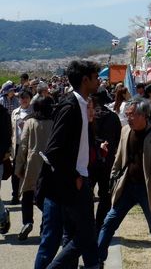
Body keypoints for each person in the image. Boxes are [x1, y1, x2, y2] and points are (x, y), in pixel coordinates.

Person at [34, 59, 102, 269]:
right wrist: (75, 177)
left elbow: (77, 142)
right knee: (79, 236)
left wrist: (97, 144)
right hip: (68, 182)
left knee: (70, 236)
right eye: (95, 77)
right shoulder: (70, 106)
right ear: (85, 80)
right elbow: (54, 150)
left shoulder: (82, 105)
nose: (99, 81)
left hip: (76, 178)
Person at [97, 97, 151, 269]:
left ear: (144, 115)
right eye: (127, 114)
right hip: (127, 187)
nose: (129, 118)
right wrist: (113, 178)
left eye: (132, 115)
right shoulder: (125, 131)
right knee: (109, 223)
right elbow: (119, 158)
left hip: (148, 190)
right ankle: (98, 261)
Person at [14, 95, 54, 240]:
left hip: (32, 164)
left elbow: (23, 145)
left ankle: (27, 221)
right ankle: (45, 226)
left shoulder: (30, 122)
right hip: (49, 165)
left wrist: (18, 167)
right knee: (47, 197)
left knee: (27, 194)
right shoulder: (53, 122)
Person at [92, 89, 122, 232]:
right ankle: (100, 225)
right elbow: (118, 139)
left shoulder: (88, 117)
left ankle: (88, 223)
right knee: (105, 195)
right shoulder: (113, 117)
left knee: (86, 195)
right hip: (107, 161)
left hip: (89, 162)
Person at [10, 89, 33, 205]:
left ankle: (29, 195)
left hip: (29, 146)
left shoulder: (34, 112)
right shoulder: (15, 112)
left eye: (26, 98)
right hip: (17, 146)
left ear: (30, 99)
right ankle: (15, 195)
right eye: (22, 98)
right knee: (16, 172)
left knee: (29, 171)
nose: (24, 100)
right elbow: (12, 130)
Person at [0, 99, 11, 235]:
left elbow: (7, 137)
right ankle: (2, 214)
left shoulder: (3, 114)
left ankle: (3, 215)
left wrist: (3, 153)